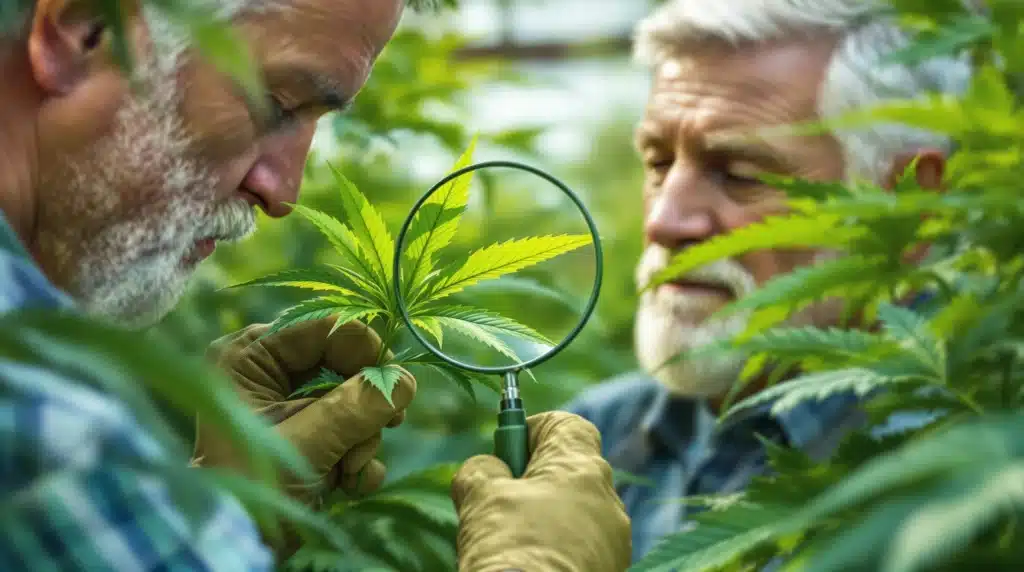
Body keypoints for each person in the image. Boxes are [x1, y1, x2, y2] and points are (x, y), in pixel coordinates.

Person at [0, 0, 631, 570]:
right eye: (278, 105)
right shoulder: (42, 420)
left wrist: (222, 520)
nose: (284, 192)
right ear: (87, 30)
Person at [563, 0, 973, 563]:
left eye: (740, 174)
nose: (665, 221)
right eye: (658, 164)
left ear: (907, 204)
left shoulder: (975, 462)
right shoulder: (594, 438)